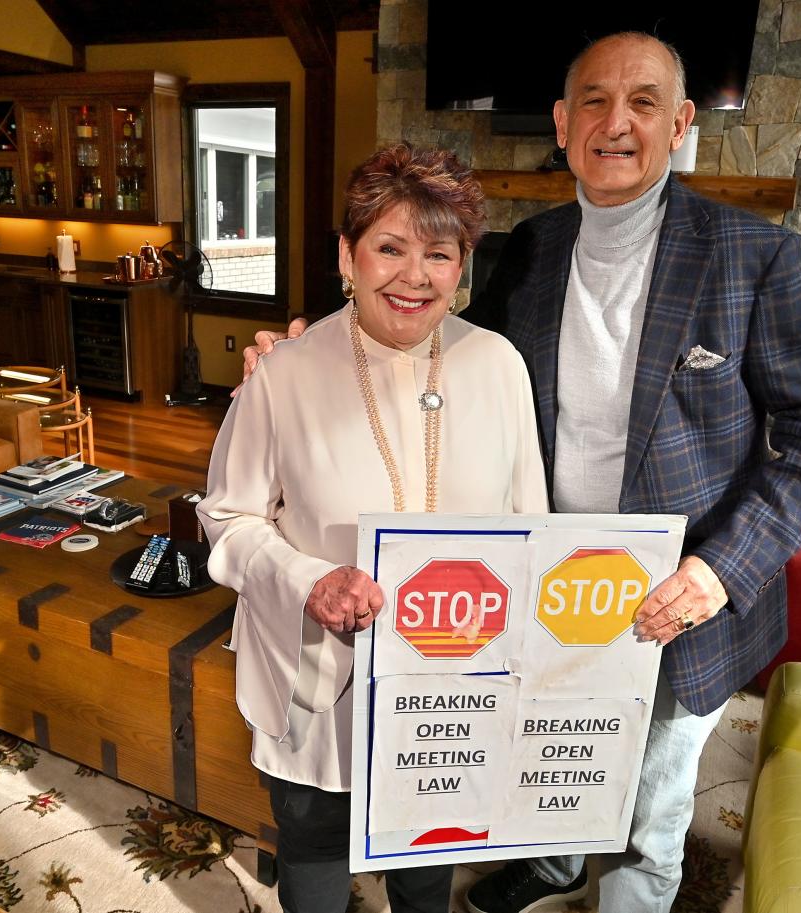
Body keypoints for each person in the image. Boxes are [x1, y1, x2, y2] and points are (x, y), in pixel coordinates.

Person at [241, 32, 801, 913]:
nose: (618, 123)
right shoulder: (531, 250)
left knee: (646, 817)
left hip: (670, 602)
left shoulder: (752, 257)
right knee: (548, 768)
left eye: (644, 102)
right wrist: (310, 342)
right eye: (596, 102)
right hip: (534, 592)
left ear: (682, 123)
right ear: (563, 123)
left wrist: (720, 571)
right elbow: (435, 345)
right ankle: (551, 862)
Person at [198, 143, 549, 913]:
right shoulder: (285, 373)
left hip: (450, 689)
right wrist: (308, 580)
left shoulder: (499, 366)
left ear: (464, 266)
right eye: (389, 247)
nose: (414, 275)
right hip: (321, 678)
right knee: (316, 842)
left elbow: (531, 530)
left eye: (439, 253)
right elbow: (225, 517)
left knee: (427, 860)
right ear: (346, 257)